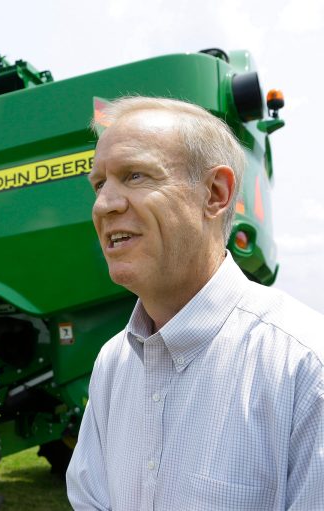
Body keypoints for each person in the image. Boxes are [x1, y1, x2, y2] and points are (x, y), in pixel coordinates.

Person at [66, 96, 324, 510]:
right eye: (99, 184)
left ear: (215, 194)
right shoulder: (112, 364)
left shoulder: (306, 368)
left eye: (134, 175)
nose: (103, 205)